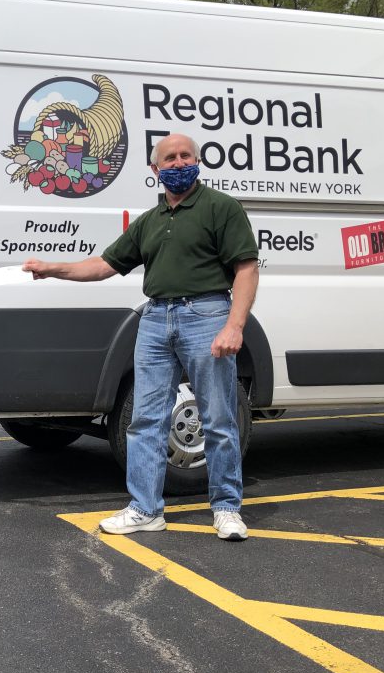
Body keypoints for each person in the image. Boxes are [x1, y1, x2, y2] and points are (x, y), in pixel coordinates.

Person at [23, 133, 259, 541]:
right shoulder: (150, 222)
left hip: (206, 314)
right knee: (145, 419)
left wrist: (234, 325)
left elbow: (246, 267)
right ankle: (145, 509)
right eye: (169, 158)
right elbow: (103, 265)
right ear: (155, 169)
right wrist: (54, 268)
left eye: (186, 155)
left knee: (218, 418)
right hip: (154, 319)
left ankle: (226, 508)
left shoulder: (221, 207)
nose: (179, 162)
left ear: (197, 161)